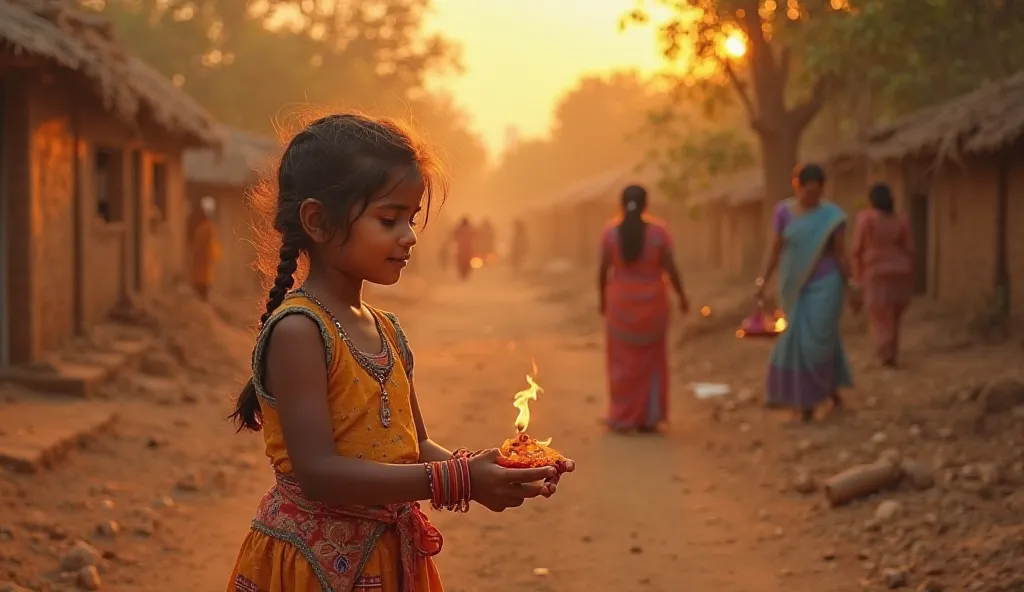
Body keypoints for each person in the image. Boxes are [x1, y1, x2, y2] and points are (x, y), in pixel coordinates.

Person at [226, 113, 574, 592]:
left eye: (410, 220)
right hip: (311, 564)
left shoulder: (386, 329)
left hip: (388, 556)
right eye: (389, 220)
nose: (409, 236)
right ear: (318, 222)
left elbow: (415, 450)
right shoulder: (300, 330)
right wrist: (456, 480)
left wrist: (489, 472)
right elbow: (319, 474)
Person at [755, 164, 860, 423]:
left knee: (818, 344)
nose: (810, 198)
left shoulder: (833, 217)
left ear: (823, 190)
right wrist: (762, 282)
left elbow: (839, 255)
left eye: (816, 193)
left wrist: (852, 287)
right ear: (796, 186)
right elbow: (776, 249)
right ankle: (815, 398)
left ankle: (810, 401)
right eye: (806, 192)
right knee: (795, 340)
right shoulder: (783, 212)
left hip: (826, 286)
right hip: (792, 285)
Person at [598, 184, 689, 433]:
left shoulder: (610, 233)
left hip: (620, 306)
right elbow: (671, 268)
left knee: (621, 364)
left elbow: (603, 270)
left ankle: (622, 415)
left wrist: (602, 301)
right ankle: (648, 418)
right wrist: (682, 297)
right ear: (647, 205)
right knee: (651, 363)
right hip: (653, 308)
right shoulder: (659, 233)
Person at [851, 183, 915, 367]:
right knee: (894, 315)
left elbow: (857, 249)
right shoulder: (902, 220)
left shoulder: (867, 219)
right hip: (901, 270)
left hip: (876, 272)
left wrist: (857, 277)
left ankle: (885, 353)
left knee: (879, 315)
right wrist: (911, 274)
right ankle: (892, 353)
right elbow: (911, 249)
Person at [189, 195, 222, 301]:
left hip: (205, 261)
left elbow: (212, 244)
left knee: (204, 283)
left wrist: (212, 256)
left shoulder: (208, 228)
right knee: (202, 283)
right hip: (201, 262)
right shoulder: (203, 228)